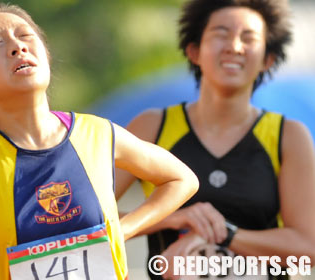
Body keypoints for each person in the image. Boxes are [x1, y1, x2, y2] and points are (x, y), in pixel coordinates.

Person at [0, 3, 199, 280]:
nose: (17, 47)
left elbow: (182, 179)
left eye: (25, 35)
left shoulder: (98, 133)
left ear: (46, 58)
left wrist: (124, 229)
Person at [116, 0, 315, 279]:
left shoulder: (289, 135)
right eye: (221, 33)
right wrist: (170, 218)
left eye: (249, 37)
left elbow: (308, 251)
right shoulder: (151, 126)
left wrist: (226, 234)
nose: (234, 46)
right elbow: (89, 216)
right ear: (194, 50)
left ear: (267, 59)